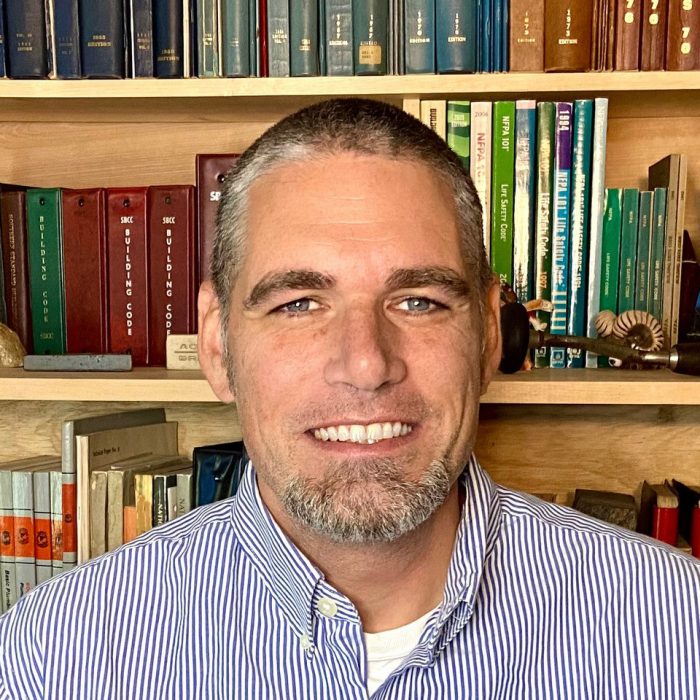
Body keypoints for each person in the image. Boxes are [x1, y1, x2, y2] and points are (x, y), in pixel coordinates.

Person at [1, 98, 698, 699]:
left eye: (419, 301)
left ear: (490, 336)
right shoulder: (56, 653)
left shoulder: (676, 625)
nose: (366, 365)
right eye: (299, 303)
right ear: (217, 347)